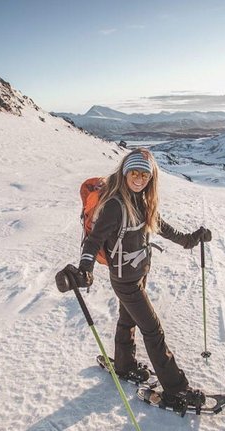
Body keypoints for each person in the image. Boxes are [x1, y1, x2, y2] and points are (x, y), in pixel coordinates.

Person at [69, 148, 212, 409]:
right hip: (125, 280)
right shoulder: (114, 205)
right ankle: (176, 388)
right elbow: (93, 241)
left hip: (138, 273)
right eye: (134, 172)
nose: (139, 178)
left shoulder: (143, 201)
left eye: (145, 174)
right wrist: (85, 267)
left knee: (127, 320)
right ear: (124, 173)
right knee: (153, 329)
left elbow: (162, 227)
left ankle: (124, 365)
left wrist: (190, 239)